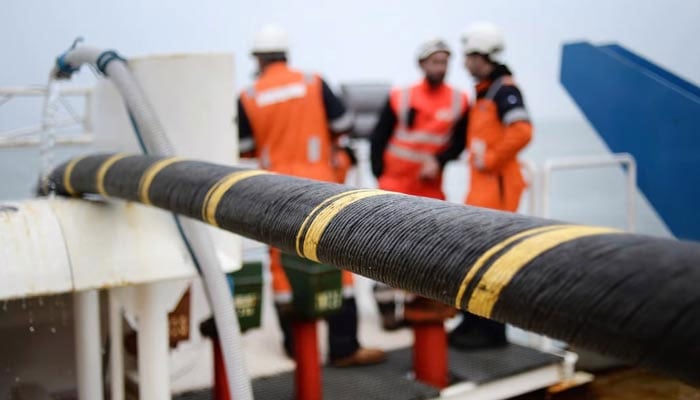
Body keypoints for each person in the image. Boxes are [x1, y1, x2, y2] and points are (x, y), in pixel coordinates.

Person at [237, 25, 385, 366]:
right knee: (334, 259)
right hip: (321, 186)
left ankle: (295, 345)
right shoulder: (312, 82)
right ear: (286, 54)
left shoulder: (249, 95)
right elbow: (343, 123)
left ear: (258, 59)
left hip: (273, 191)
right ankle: (343, 346)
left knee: (282, 264)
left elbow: (245, 148)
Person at [370, 38, 469, 330]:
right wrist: (380, 174)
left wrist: (439, 161)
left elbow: (459, 142)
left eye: (445, 62)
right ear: (422, 64)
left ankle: (418, 304)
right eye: (435, 62)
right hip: (393, 184)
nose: (441, 67)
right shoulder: (400, 96)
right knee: (382, 249)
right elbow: (379, 137)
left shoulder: (459, 101)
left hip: (429, 188)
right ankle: (387, 309)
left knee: (423, 251)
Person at [449, 22, 533, 350]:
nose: (464, 62)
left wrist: (492, 159)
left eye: (468, 55)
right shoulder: (487, 90)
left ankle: (492, 334)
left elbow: (523, 131)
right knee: (476, 258)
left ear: (481, 55)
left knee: (491, 261)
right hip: (483, 188)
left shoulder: (503, 90)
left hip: (496, 187)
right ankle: (472, 324)